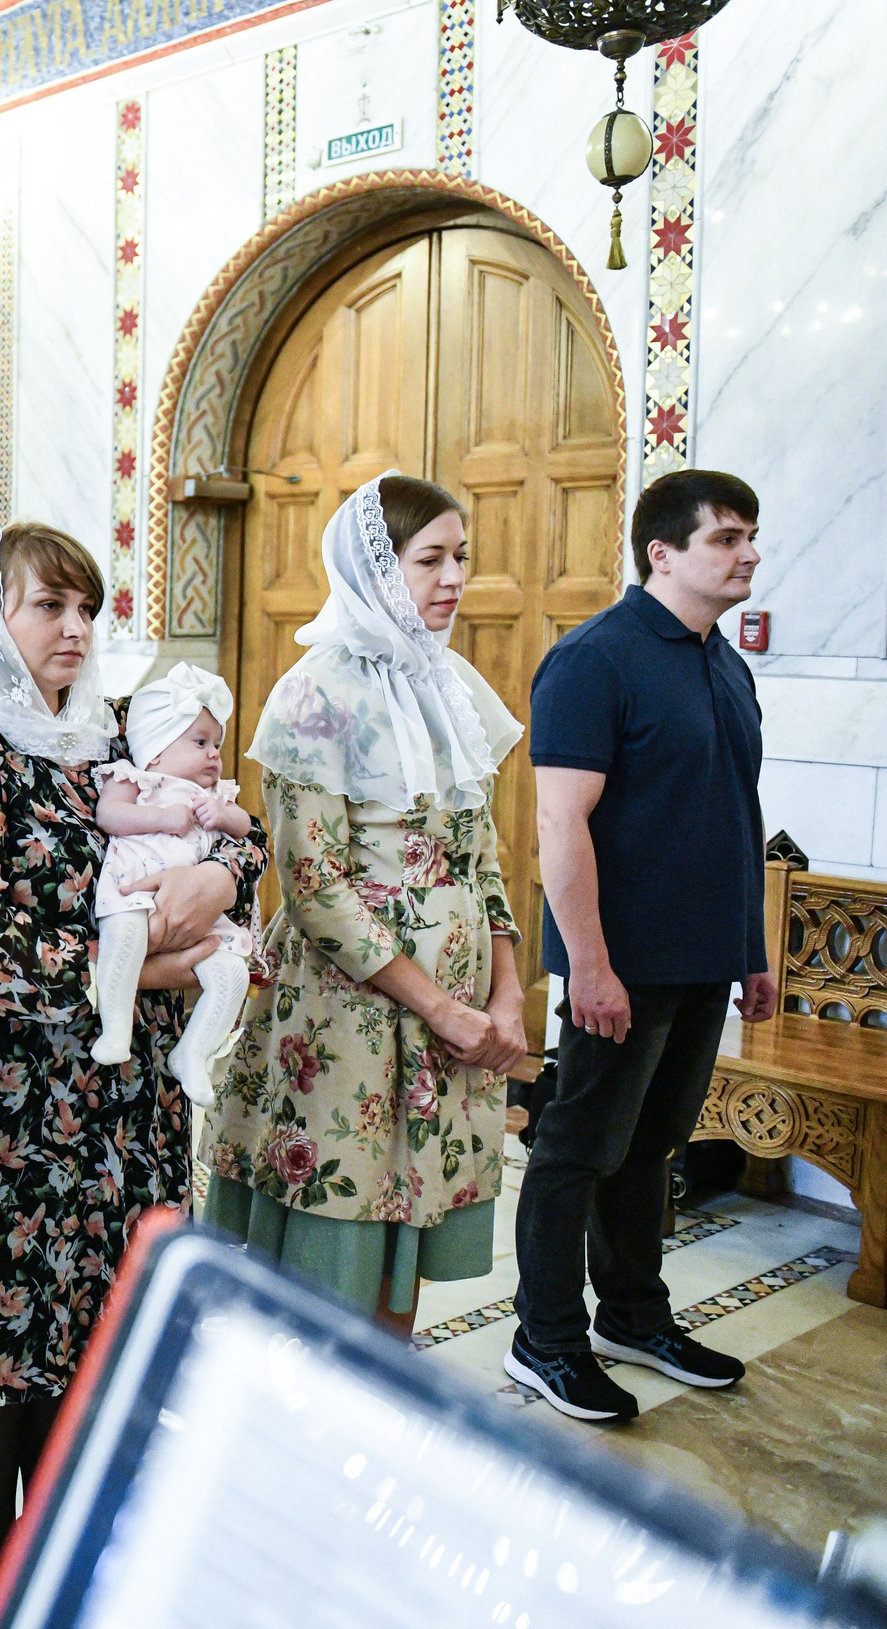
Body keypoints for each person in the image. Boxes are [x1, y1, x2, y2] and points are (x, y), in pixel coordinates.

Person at [0, 523, 267, 1624]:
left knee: (85, 1331)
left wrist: (222, 879)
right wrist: (145, 967)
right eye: (46, 607)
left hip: (117, 1107)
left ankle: (57, 1550)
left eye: (85, 609)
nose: (73, 629)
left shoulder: (106, 737)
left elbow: (229, 822)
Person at [204, 475, 528, 1337]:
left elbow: (482, 853)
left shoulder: (449, 685)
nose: (453, 577)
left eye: (460, 557)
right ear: (376, 570)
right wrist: (440, 1006)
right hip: (355, 1014)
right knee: (332, 1251)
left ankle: (380, 1408)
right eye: (431, 559)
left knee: (403, 1238)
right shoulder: (317, 693)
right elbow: (313, 887)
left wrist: (505, 995)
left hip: (451, 1021)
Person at [508, 469, 772, 1423]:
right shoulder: (596, 660)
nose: (748, 553)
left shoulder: (723, 662)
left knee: (653, 1144)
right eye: (728, 538)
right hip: (619, 966)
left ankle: (631, 1313)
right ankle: (545, 1338)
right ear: (663, 552)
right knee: (576, 1145)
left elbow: (734, 814)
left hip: (702, 958)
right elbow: (561, 827)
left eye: (750, 537)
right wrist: (590, 965)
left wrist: (751, 949)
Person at [89, 662, 255, 1091]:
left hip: (198, 908)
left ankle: (194, 1052)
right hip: (132, 889)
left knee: (231, 973)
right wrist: (161, 817)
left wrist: (225, 815)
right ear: (157, 750)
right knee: (123, 937)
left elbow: (250, 832)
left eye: (216, 744)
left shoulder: (215, 796)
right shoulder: (138, 777)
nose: (214, 754)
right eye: (200, 742)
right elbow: (108, 815)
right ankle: (115, 1026)